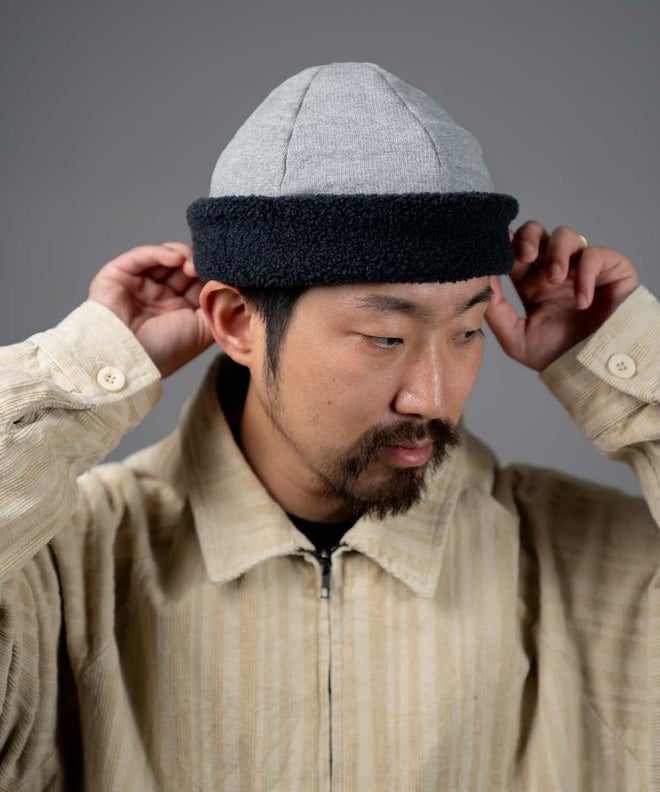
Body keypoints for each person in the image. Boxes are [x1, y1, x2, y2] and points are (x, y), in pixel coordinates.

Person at [0, 61, 658, 791]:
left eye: (468, 332)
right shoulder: (67, 568)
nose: (431, 397)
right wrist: (84, 369)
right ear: (236, 322)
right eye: (384, 337)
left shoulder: (602, 568)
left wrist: (627, 360)